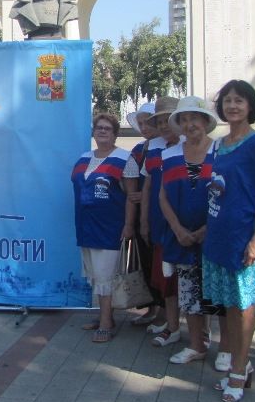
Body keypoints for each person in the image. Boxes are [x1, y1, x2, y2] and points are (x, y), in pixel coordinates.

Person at [204, 80, 255, 402]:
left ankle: (237, 371)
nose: (232, 106)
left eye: (239, 100)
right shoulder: (218, 145)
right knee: (230, 305)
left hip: (245, 237)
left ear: (251, 105)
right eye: (228, 100)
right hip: (219, 236)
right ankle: (243, 364)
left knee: (243, 306)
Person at [159, 96, 226, 365]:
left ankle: (227, 349)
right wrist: (177, 229)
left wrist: (208, 229)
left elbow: (228, 194)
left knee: (218, 293)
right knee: (189, 293)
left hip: (216, 236)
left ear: (206, 121)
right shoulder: (170, 154)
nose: (190, 124)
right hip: (182, 237)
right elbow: (163, 196)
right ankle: (196, 345)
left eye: (194, 118)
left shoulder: (221, 150)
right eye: (184, 120)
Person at [71, 112, 134, 343]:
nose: (103, 131)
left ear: (115, 133)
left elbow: (132, 196)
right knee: (96, 275)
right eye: (99, 127)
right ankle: (104, 316)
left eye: (108, 128)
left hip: (110, 227)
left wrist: (129, 225)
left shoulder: (125, 158)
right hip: (86, 226)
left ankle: (107, 323)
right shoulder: (84, 157)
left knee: (105, 275)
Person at [139, 96, 182, 347]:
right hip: (159, 223)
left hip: (187, 225)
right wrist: (144, 221)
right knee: (165, 278)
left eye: (169, 120)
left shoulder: (192, 143)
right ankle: (172, 326)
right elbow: (147, 187)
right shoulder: (153, 147)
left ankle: (203, 334)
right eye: (160, 121)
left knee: (194, 279)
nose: (164, 125)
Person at [123, 102, 159, 326]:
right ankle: (152, 308)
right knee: (146, 263)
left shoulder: (169, 146)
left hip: (161, 215)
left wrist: (145, 195)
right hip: (141, 217)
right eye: (141, 123)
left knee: (162, 265)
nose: (144, 127)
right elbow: (129, 183)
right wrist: (133, 194)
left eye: (148, 122)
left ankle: (167, 314)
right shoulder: (138, 150)